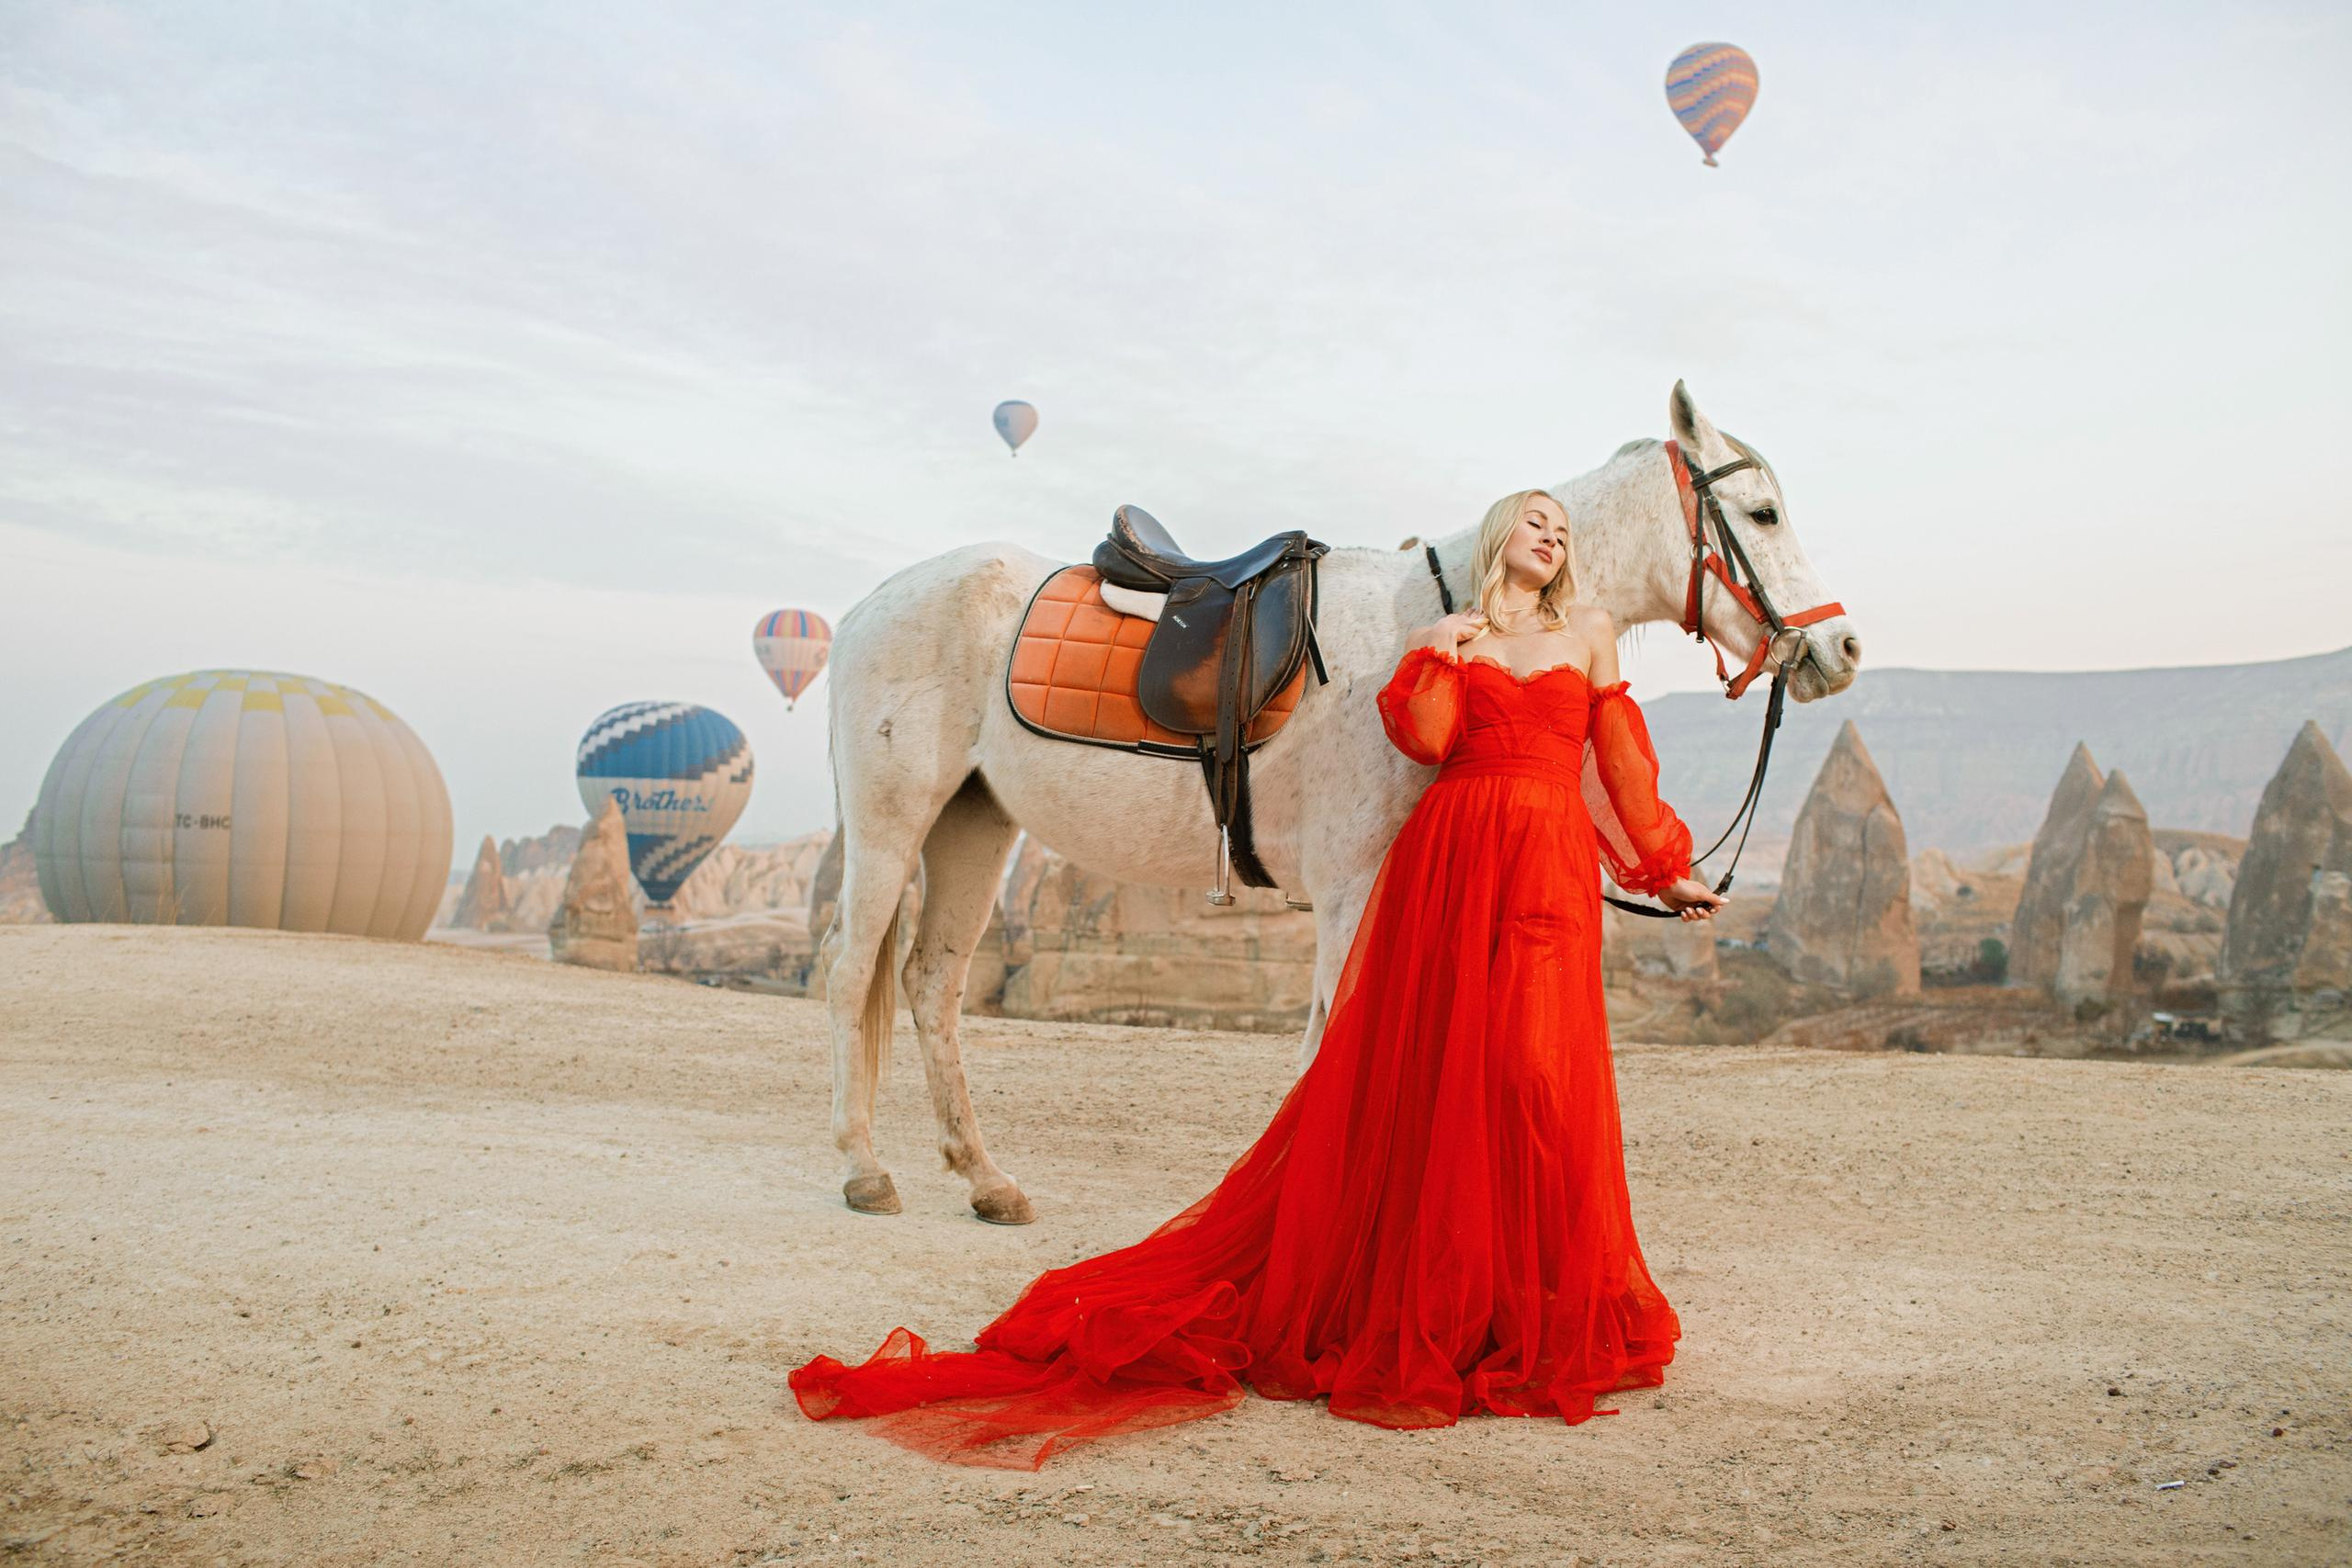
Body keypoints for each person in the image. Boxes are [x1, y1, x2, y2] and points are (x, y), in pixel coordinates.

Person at [789, 489, 1725, 1468]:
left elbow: (1619, 761)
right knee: (1454, 1064)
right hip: (1461, 850)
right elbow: (1424, 738)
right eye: (1534, 521)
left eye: (1563, 529)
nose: (1552, 536)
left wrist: (1665, 865)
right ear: (1499, 536)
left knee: (1534, 1070)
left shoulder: (1589, 631)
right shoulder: (1453, 633)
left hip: (1540, 863)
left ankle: (1519, 1292)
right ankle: (859, 1132)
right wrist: (1435, 652)